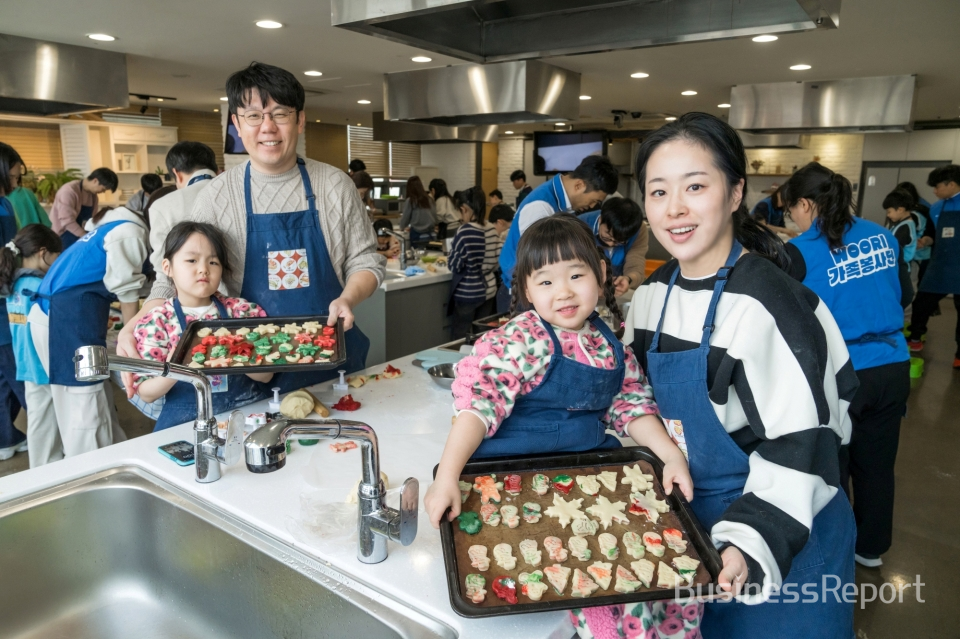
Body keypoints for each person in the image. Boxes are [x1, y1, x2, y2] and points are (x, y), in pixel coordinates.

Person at [628, 113, 856, 637]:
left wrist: (752, 541)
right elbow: (632, 400)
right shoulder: (649, 298)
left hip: (785, 535)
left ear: (735, 193)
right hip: (693, 523)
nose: (674, 208)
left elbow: (809, 442)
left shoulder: (771, 303)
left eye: (695, 187)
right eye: (658, 191)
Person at [426, 213, 697, 637]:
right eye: (546, 281)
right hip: (509, 474)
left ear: (601, 273)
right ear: (527, 290)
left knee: (650, 572)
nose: (564, 292)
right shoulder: (522, 339)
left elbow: (630, 404)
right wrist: (447, 473)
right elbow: (478, 406)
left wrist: (668, 455)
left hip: (583, 469)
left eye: (576, 274)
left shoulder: (607, 341)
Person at [116, 62, 384, 415]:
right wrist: (133, 326)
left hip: (334, 359)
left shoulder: (334, 185)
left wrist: (348, 297)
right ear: (238, 125)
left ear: (300, 120)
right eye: (254, 116)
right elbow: (175, 274)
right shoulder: (217, 195)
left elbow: (366, 261)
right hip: (255, 366)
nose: (268, 127)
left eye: (280, 114)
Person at [782, 163, 912, 571]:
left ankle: (833, 547)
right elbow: (904, 292)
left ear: (805, 204)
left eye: (791, 211)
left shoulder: (798, 252)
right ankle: (870, 548)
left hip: (841, 371)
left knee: (832, 461)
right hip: (893, 363)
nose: (793, 221)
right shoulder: (882, 235)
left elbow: (786, 317)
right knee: (877, 462)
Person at [28, 203, 148, 458]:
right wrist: (131, 347)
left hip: (54, 315)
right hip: (66, 322)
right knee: (85, 407)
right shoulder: (128, 232)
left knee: (92, 399)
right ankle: (92, 470)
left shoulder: (102, 232)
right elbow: (127, 293)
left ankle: (108, 463)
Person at [132, 222, 274, 430]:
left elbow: (266, 376)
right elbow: (146, 392)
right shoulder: (157, 322)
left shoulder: (243, 312)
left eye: (213, 262)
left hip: (245, 417)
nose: (203, 269)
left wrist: (242, 355)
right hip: (185, 425)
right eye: (191, 260)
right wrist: (174, 367)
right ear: (167, 267)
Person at [498, 156, 618, 312]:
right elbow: (545, 261)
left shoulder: (558, 201)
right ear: (579, 185)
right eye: (594, 200)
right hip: (522, 298)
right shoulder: (541, 207)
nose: (593, 206)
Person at [0, 225, 61, 466]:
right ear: (43, 252)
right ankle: (49, 471)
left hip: (26, 363)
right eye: (56, 257)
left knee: (39, 421)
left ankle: (41, 468)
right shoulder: (38, 287)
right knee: (50, 422)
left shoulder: (14, 285)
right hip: (44, 364)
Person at [906, 165, 960, 363]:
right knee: (922, 303)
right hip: (941, 264)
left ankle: (959, 355)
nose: (934, 192)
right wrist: (925, 241)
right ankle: (915, 338)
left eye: (937, 187)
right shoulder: (937, 208)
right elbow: (931, 234)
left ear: (951, 184)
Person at [0, 144, 28, 461]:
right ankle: (49, 433)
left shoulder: (6, 202)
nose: (17, 176)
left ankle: (6, 437)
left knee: (5, 371)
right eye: (13, 172)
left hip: (10, 292)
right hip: (3, 297)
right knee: (17, 368)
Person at [447, 187, 501, 339]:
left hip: (468, 293)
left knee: (460, 337)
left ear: (464, 209)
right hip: (489, 292)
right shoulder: (491, 228)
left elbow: (454, 265)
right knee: (482, 337)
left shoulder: (464, 231)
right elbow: (497, 260)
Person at [579, 197, 649, 295]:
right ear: (600, 220)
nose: (611, 244)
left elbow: (636, 263)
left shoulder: (638, 230)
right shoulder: (579, 226)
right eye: (607, 237)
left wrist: (628, 279)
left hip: (614, 295)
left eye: (619, 242)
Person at [49, 167, 118, 250]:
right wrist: (84, 235)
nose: (102, 192)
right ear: (95, 181)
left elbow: (92, 219)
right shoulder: (68, 191)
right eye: (103, 189)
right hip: (63, 237)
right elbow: (67, 221)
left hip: (80, 237)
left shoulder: (93, 196)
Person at [883, 188, 920, 302]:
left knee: (899, 296)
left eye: (889, 212)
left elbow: (894, 249)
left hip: (901, 268)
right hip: (897, 266)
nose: (888, 215)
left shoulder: (905, 227)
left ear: (900, 209)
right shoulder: (901, 224)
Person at [897, 181, 935, 282]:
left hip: (915, 257)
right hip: (921, 255)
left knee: (912, 283)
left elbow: (903, 236)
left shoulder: (913, 215)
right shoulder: (923, 208)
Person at [400, 175, 438, 246]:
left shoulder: (411, 200)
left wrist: (402, 227)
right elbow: (435, 216)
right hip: (432, 234)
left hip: (418, 234)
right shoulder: (429, 199)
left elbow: (405, 218)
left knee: (417, 255)